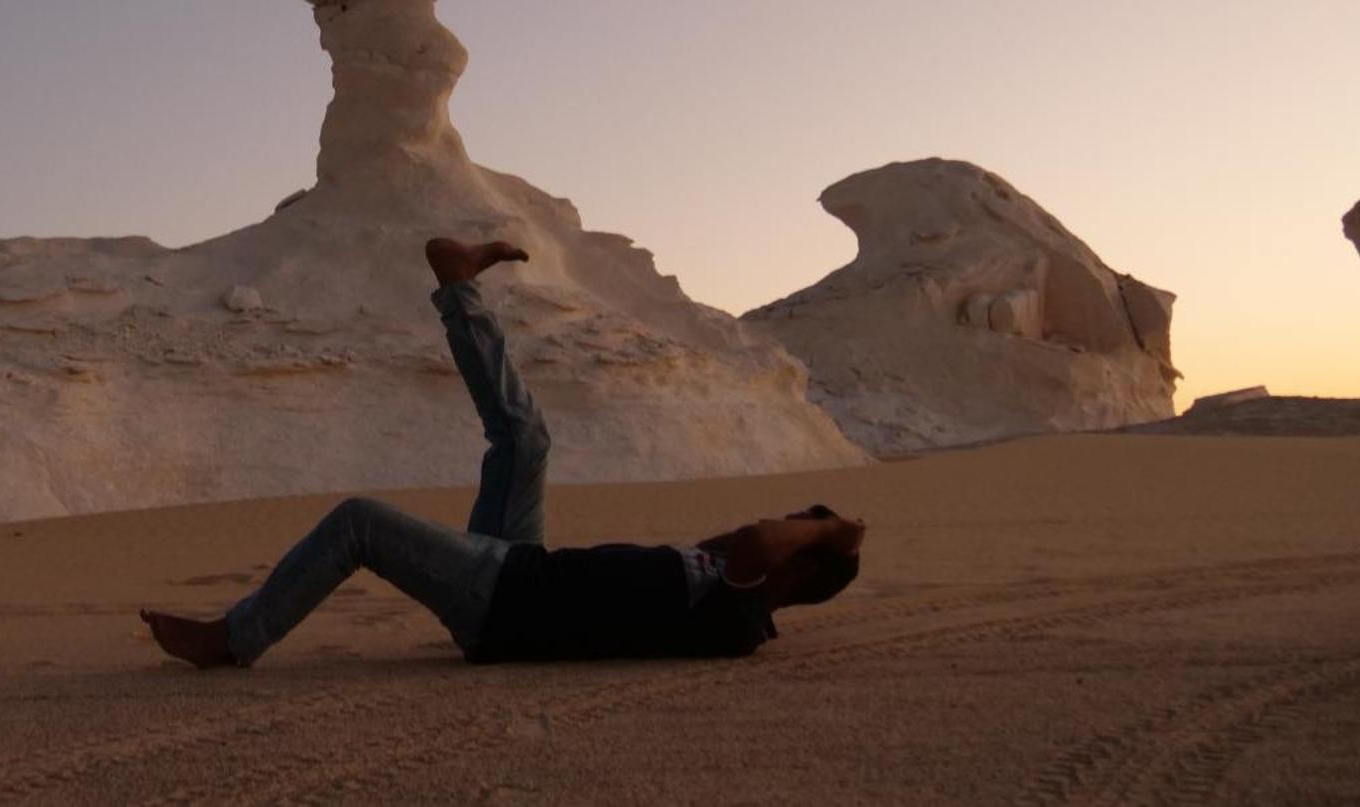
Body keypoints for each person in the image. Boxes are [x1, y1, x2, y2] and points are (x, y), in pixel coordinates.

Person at [140, 238, 866, 668]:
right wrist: (818, 532)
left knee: (358, 522)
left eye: (800, 528)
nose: (784, 520)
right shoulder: (720, 579)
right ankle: (459, 287)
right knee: (526, 437)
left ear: (800, 568)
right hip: (523, 568)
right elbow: (734, 543)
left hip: (506, 607)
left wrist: (830, 530)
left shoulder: (739, 620)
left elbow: (755, 541)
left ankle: (233, 641)